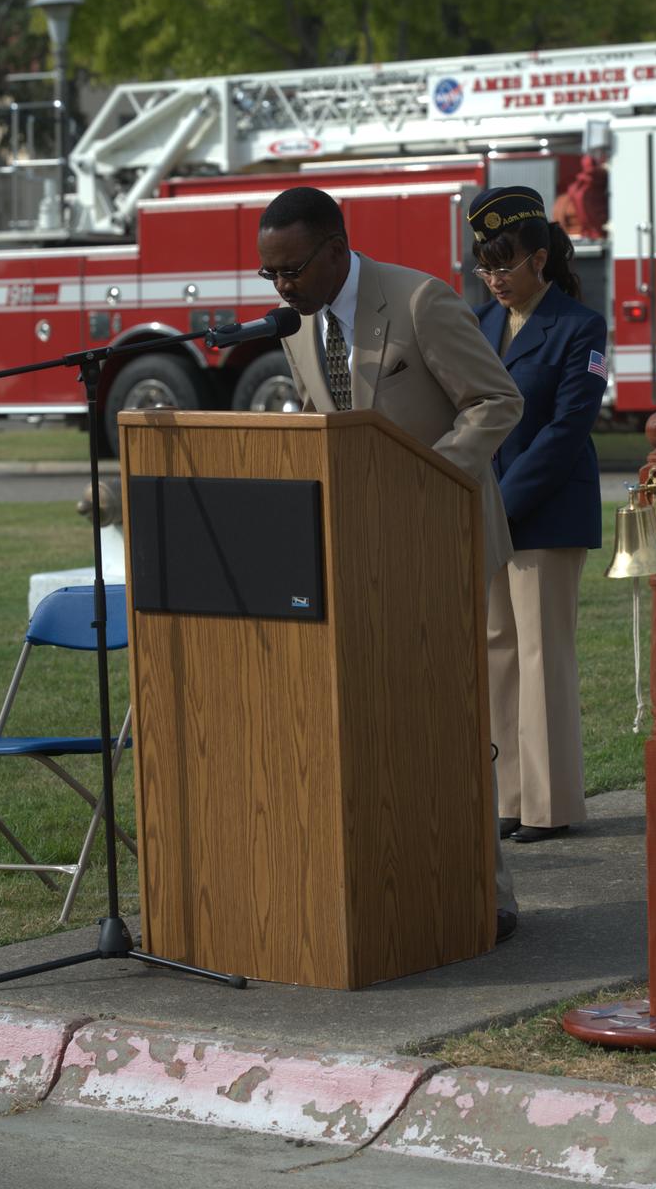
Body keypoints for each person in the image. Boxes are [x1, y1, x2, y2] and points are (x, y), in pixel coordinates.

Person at [257, 185, 524, 943]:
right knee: (383, 725)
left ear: (337, 250)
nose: (282, 288)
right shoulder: (296, 328)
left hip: (440, 540)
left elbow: (496, 402)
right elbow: (323, 427)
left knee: (451, 723)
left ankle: (486, 893)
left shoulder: (417, 302)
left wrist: (424, 476)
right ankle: (403, 879)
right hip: (358, 554)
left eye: (292, 270)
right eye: (269, 276)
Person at [467, 185, 607, 844]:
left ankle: (552, 806)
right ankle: (512, 797)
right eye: (484, 266)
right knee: (497, 651)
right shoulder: (478, 324)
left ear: (540, 259)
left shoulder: (580, 327)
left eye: (505, 264)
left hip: (544, 514)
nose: (494, 279)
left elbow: (562, 431)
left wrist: (500, 502)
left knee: (541, 654)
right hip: (488, 511)